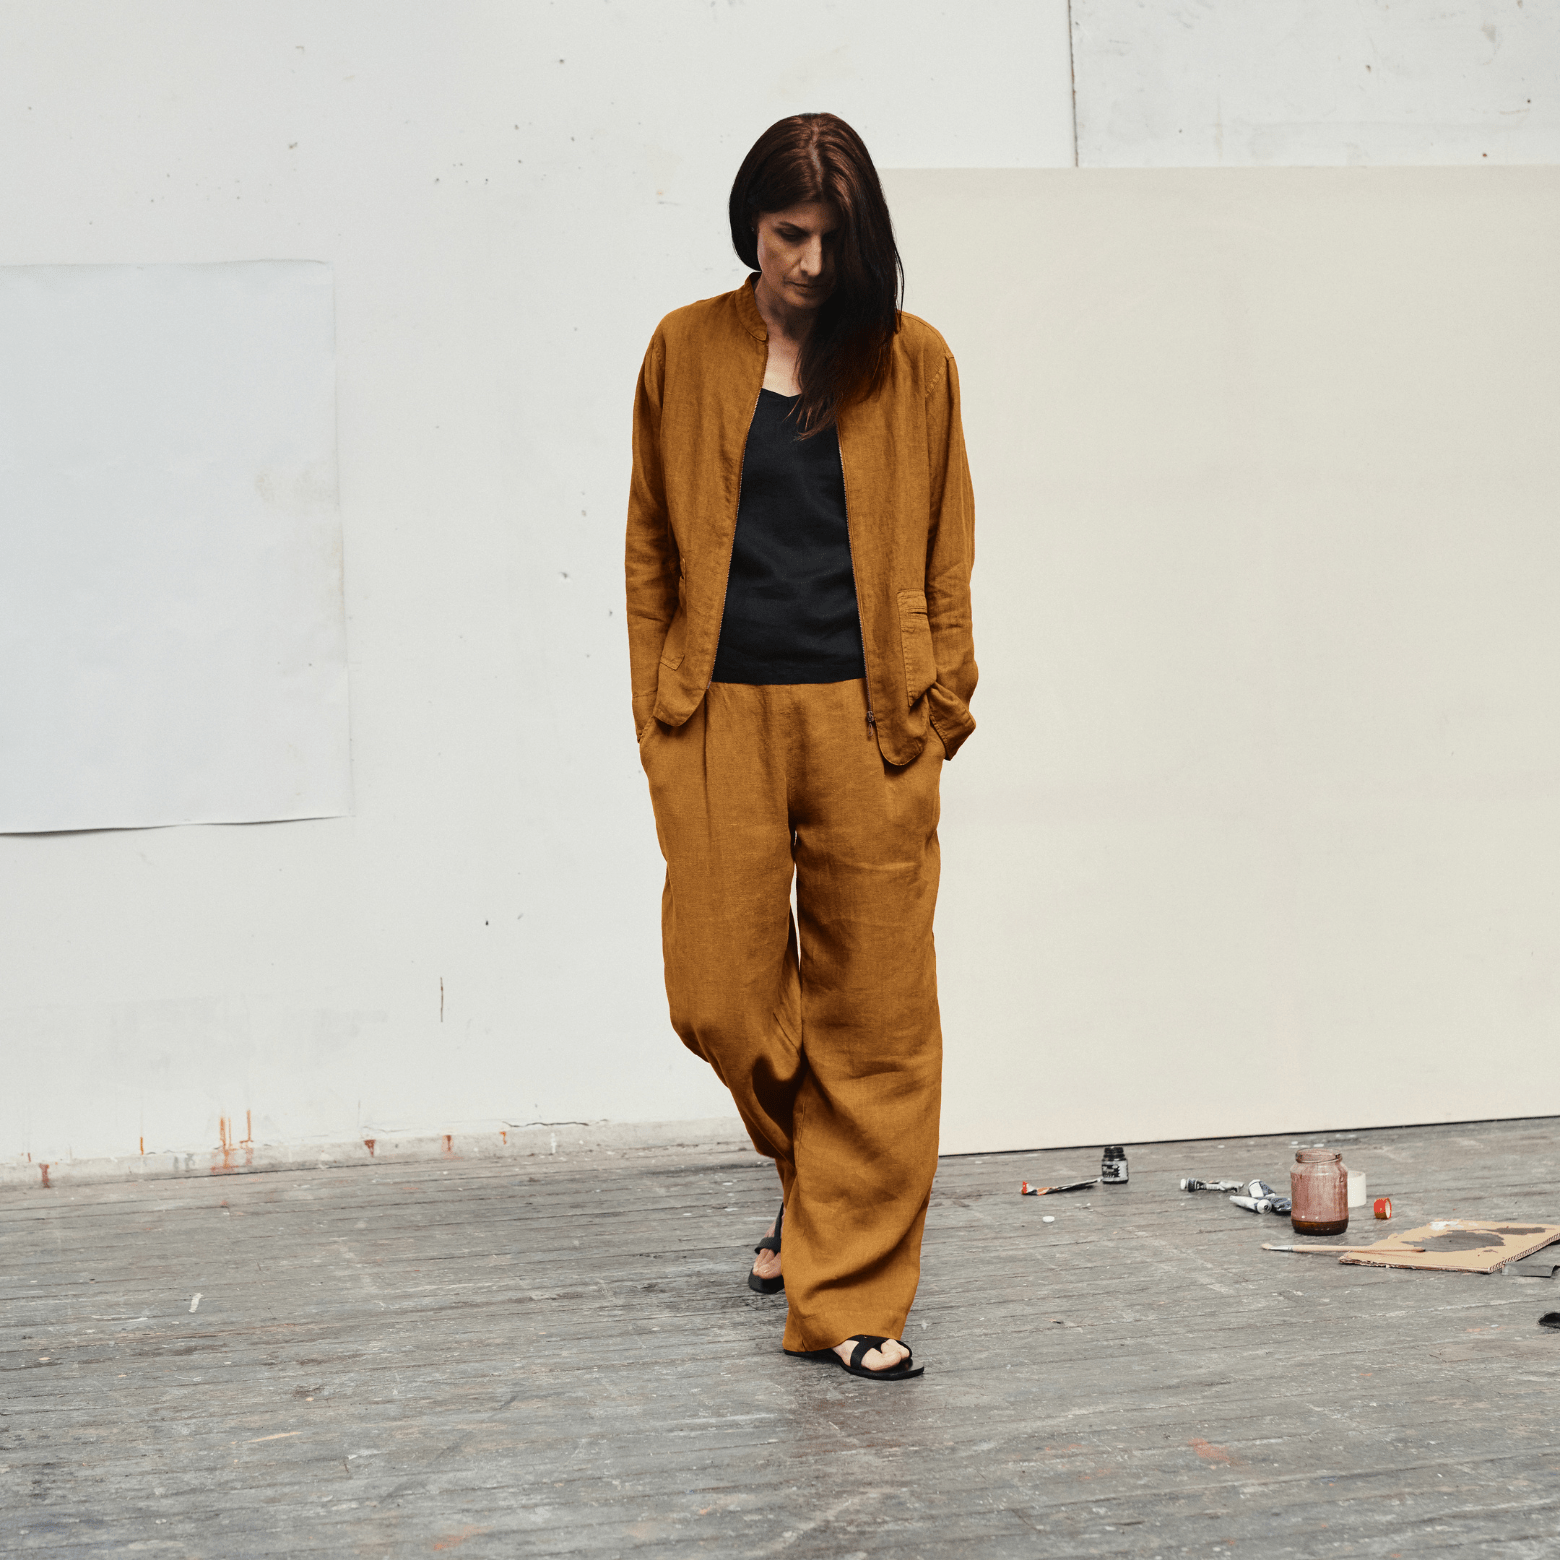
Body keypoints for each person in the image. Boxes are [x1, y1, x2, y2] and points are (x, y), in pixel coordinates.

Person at [624, 112, 976, 1381]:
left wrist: (940, 707)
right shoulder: (683, 349)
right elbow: (651, 547)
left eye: (834, 237)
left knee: (877, 1019)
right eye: (789, 234)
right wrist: (659, 712)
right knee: (719, 996)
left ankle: (852, 1303)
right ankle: (819, 1180)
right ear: (751, 225)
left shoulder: (913, 362)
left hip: (872, 721)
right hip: (720, 713)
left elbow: (947, 547)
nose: (812, 263)